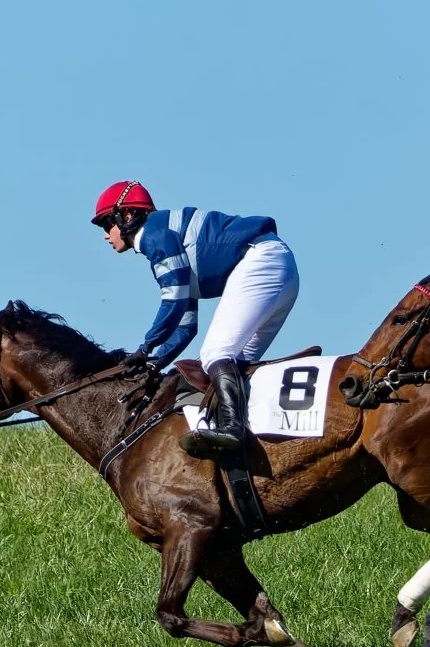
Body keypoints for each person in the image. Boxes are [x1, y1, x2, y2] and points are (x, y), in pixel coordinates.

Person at [91, 180, 300, 459]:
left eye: (107, 225)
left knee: (216, 353)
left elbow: (174, 302)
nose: (106, 236)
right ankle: (254, 438)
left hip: (262, 259)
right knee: (234, 365)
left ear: (125, 217)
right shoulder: (164, 239)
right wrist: (155, 363)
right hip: (280, 266)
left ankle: (233, 430)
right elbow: (186, 325)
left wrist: (144, 348)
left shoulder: (154, 235)